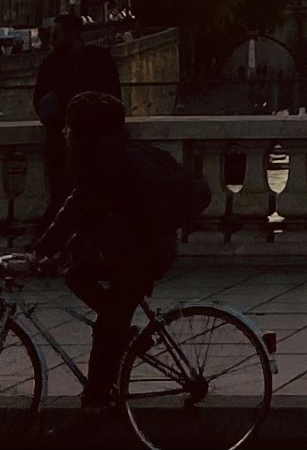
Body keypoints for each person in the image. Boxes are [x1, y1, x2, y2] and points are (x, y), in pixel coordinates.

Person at [33, 89, 203, 416]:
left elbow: (85, 212)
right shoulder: (110, 156)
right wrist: (50, 248)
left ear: (85, 132)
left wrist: (47, 250)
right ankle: (125, 339)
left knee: (107, 326)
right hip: (138, 247)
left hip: (142, 254)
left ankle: (96, 401)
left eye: (70, 126)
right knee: (78, 276)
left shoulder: (104, 162)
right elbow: (85, 211)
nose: (65, 131)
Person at [33, 13, 129, 210]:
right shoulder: (98, 59)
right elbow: (115, 100)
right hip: (79, 144)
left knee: (68, 198)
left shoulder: (54, 64)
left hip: (75, 144)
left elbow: (39, 103)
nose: (51, 39)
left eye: (56, 34)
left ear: (72, 34)